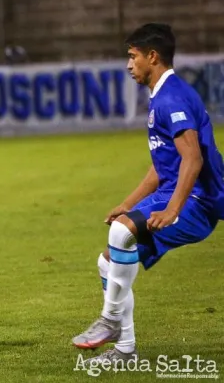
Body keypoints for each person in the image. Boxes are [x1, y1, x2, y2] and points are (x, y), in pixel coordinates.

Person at [72, 23, 224, 364]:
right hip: (177, 192)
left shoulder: (172, 98)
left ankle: (110, 320)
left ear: (152, 56)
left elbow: (192, 159)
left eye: (132, 56)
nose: (129, 64)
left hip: (195, 202)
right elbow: (163, 164)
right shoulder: (162, 95)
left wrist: (172, 209)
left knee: (121, 231)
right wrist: (128, 202)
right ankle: (125, 350)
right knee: (109, 262)